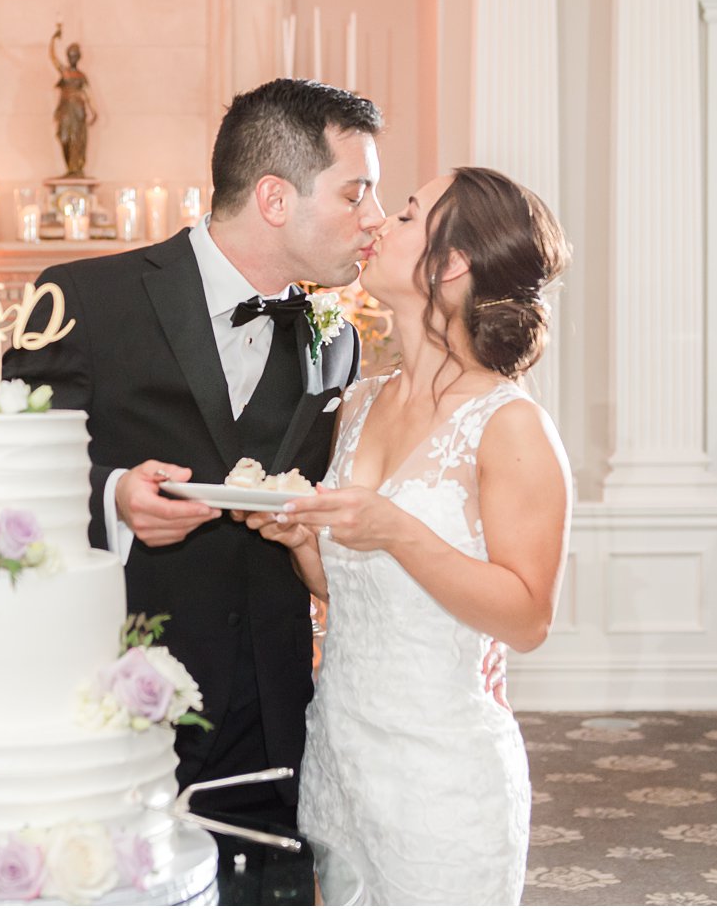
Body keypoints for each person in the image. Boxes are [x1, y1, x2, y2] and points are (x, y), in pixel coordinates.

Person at [4, 78, 384, 826]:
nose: (374, 220)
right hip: (113, 696)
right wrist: (114, 495)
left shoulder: (336, 341)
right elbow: (12, 468)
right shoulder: (83, 299)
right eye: (355, 194)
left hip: (273, 722)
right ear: (276, 200)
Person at [241, 167, 573, 903]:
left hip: (442, 777)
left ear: (451, 264)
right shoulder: (359, 402)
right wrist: (300, 540)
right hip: (340, 756)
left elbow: (527, 619)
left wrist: (398, 532)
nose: (376, 224)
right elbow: (353, 592)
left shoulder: (510, 426)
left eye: (407, 215)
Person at [49, 23, 98, 177]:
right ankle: (69, 168)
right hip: (65, 111)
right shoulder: (64, 72)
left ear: (78, 57)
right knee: (64, 138)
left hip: (78, 111)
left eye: (75, 55)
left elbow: (88, 94)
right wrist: (53, 38)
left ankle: (76, 169)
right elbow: (52, 57)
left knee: (77, 139)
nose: (73, 57)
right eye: (71, 54)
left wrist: (93, 111)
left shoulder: (81, 76)